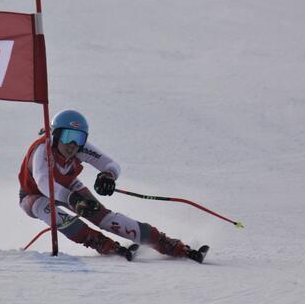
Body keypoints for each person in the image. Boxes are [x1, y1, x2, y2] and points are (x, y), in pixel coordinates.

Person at [18, 109, 207, 262]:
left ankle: (165, 243)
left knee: (101, 215)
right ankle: (100, 243)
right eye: (68, 136)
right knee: (48, 209)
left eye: (80, 138)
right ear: (56, 135)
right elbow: (44, 183)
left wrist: (108, 176)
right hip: (33, 195)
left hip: (69, 186)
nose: (73, 144)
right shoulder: (43, 149)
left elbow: (111, 165)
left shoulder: (79, 148)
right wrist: (73, 199)